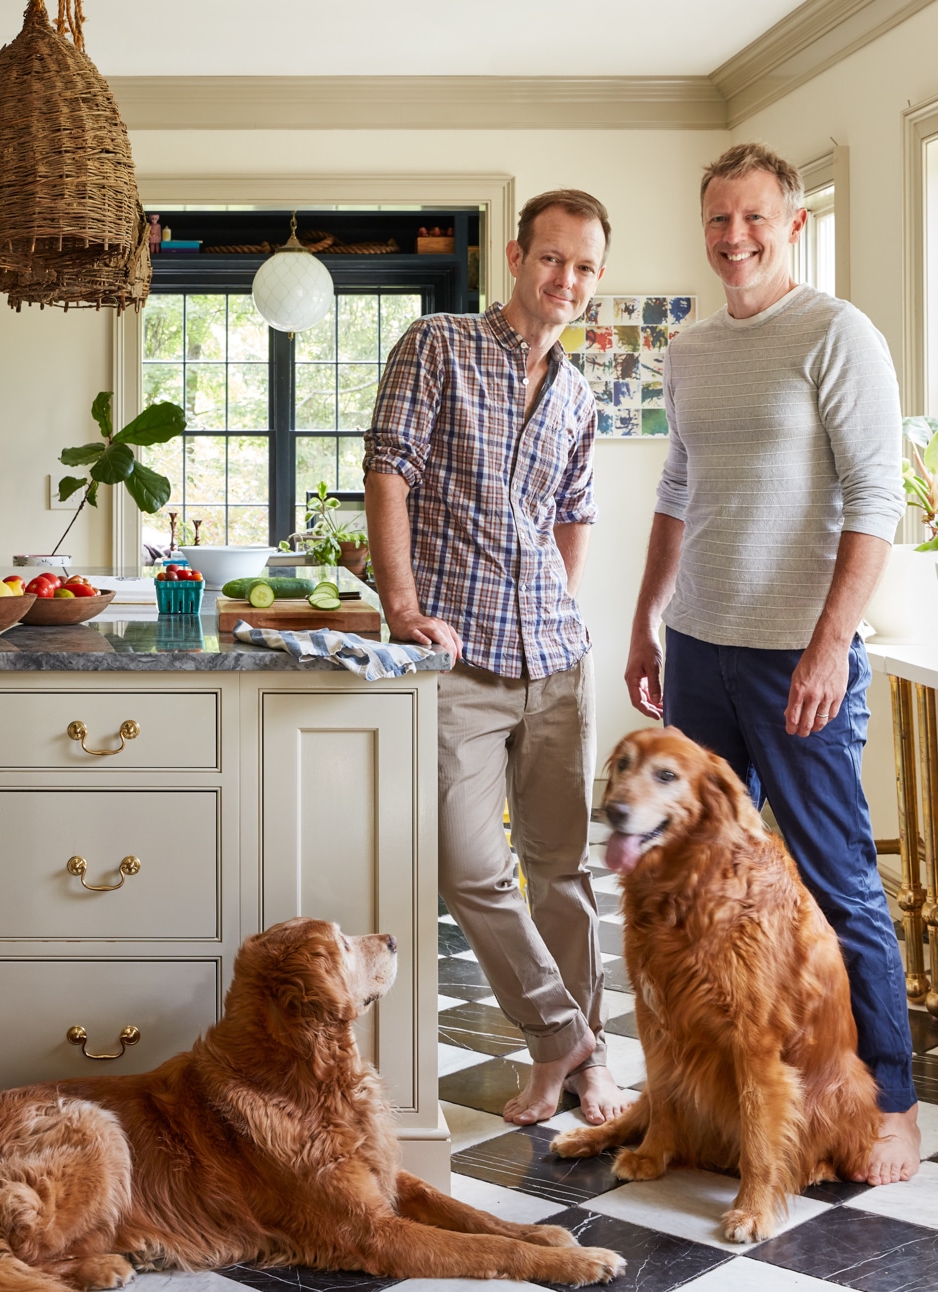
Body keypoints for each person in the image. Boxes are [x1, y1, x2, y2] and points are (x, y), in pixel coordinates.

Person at [625, 141, 921, 1185]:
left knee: (835, 883)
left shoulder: (838, 334)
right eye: (717, 220)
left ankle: (888, 1096)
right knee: (697, 882)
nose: (734, 237)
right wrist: (645, 618)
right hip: (697, 644)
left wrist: (830, 643)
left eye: (753, 218)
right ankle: (713, 1093)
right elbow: (676, 488)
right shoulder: (692, 346)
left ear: (791, 223)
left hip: (798, 656)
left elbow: (875, 500)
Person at [363, 189, 628, 1126]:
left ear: (598, 281)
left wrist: (562, 606)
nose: (567, 279)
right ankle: (564, 1033)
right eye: (552, 258)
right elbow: (388, 468)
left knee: (561, 869)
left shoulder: (579, 391)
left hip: (555, 659)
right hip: (459, 657)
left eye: (586, 267)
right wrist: (402, 606)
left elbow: (574, 512)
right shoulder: (436, 346)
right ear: (517, 257)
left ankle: (575, 1067)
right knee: (468, 866)